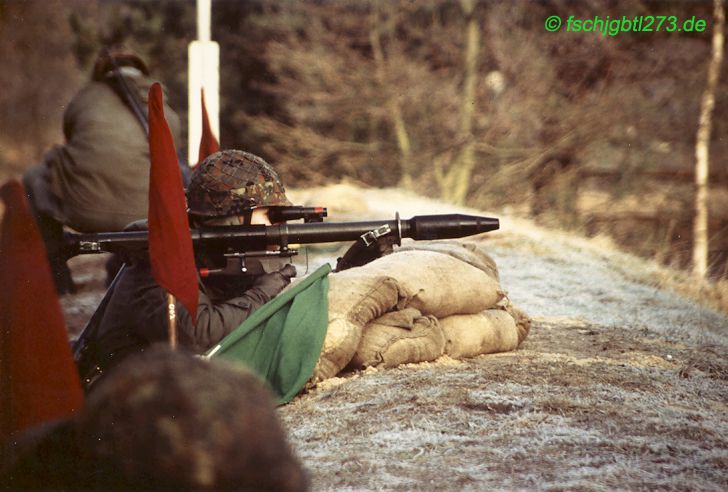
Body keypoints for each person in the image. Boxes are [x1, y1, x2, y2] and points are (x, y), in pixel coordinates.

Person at [74, 150, 297, 389]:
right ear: (233, 219)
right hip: (113, 396)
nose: (277, 226)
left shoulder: (210, 253)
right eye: (270, 215)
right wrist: (261, 293)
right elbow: (196, 335)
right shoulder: (160, 258)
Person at [22, 45, 182, 294]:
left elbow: (71, 132)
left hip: (84, 212)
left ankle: (55, 270)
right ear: (141, 72)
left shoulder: (87, 96)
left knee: (33, 177)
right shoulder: (159, 101)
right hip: (145, 215)